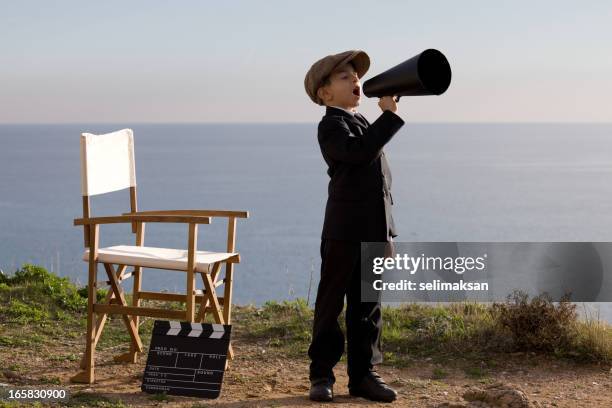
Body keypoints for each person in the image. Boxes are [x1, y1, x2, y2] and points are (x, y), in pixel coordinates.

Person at [303, 50, 405, 403]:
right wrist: (389, 116)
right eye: (344, 77)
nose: (355, 81)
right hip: (343, 231)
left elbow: (382, 187)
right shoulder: (331, 125)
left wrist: (388, 233)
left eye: (356, 76)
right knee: (331, 306)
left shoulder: (362, 123)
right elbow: (360, 153)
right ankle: (321, 376)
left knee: (367, 307)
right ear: (324, 93)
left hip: (373, 232)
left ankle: (364, 375)